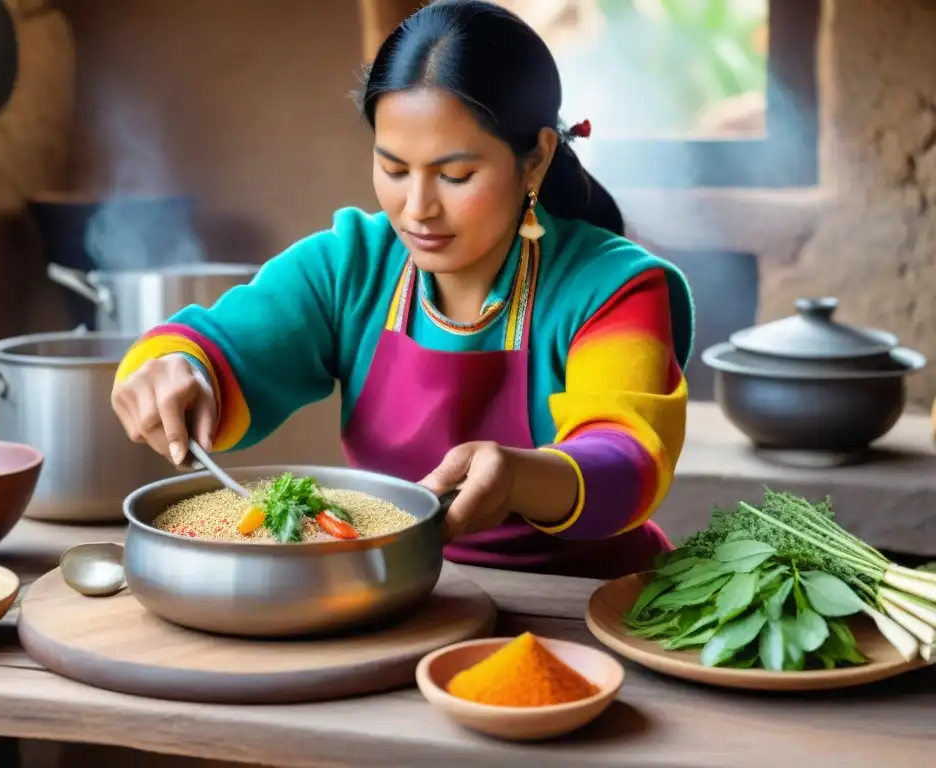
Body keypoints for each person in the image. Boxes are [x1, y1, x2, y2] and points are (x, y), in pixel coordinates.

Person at [110, 0, 694, 579]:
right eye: (393, 169)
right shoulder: (349, 267)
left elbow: (630, 459)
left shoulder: (615, 289)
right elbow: (219, 346)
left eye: (455, 176)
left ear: (536, 159)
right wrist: (175, 369)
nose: (416, 210)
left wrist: (518, 476)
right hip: (407, 591)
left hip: (589, 604)